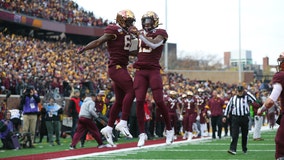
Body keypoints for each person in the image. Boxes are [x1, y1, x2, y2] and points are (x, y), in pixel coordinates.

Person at [77, 9, 136, 146]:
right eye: (128, 21)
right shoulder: (114, 30)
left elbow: (132, 52)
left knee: (119, 100)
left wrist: (139, 40)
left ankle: (108, 128)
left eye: (131, 22)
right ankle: (123, 122)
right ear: (121, 20)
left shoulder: (127, 33)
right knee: (131, 90)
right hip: (116, 67)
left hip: (122, 67)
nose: (130, 24)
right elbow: (99, 41)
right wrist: (85, 48)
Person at [128, 11, 174, 147]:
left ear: (154, 22)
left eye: (149, 22)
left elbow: (154, 44)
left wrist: (140, 35)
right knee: (139, 101)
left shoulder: (161, 32)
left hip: (153, 70)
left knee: (159, 101)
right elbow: (134, 50)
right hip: (140, 71)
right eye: (145, 22)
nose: (146, 25)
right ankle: (142, 134)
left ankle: (169, 130)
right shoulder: (141, 33)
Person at [257, 52, 284, 160]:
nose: (280, 62)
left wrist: (262, 108)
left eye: (282, 60)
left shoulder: (281, 76)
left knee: (280, 143)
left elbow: (270, 101)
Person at [223, 85, 257, 155]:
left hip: (244, 117)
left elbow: (254, 99)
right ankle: (233, 149)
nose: (240, 93)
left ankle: (244, 149)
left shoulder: (247, 97)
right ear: (236, 91)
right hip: (235, 118)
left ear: (243, 91)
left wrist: (247, 93)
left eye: (241, 91)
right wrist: (225, 116)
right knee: (234, 134)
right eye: (238, 91)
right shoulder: (233, 98)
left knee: (245, 134)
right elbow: (228, 107)